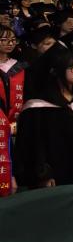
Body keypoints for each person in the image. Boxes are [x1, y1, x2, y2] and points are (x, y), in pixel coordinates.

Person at [13, 48, 73, 189]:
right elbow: (34, 144)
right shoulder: (39, 106)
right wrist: (43, 175)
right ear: (58, 70)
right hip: (56, 175)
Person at [0, 26, 27, 195]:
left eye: (12, 40)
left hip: (19, 125)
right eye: (4, 40)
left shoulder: (21, 67)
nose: (10, 43)